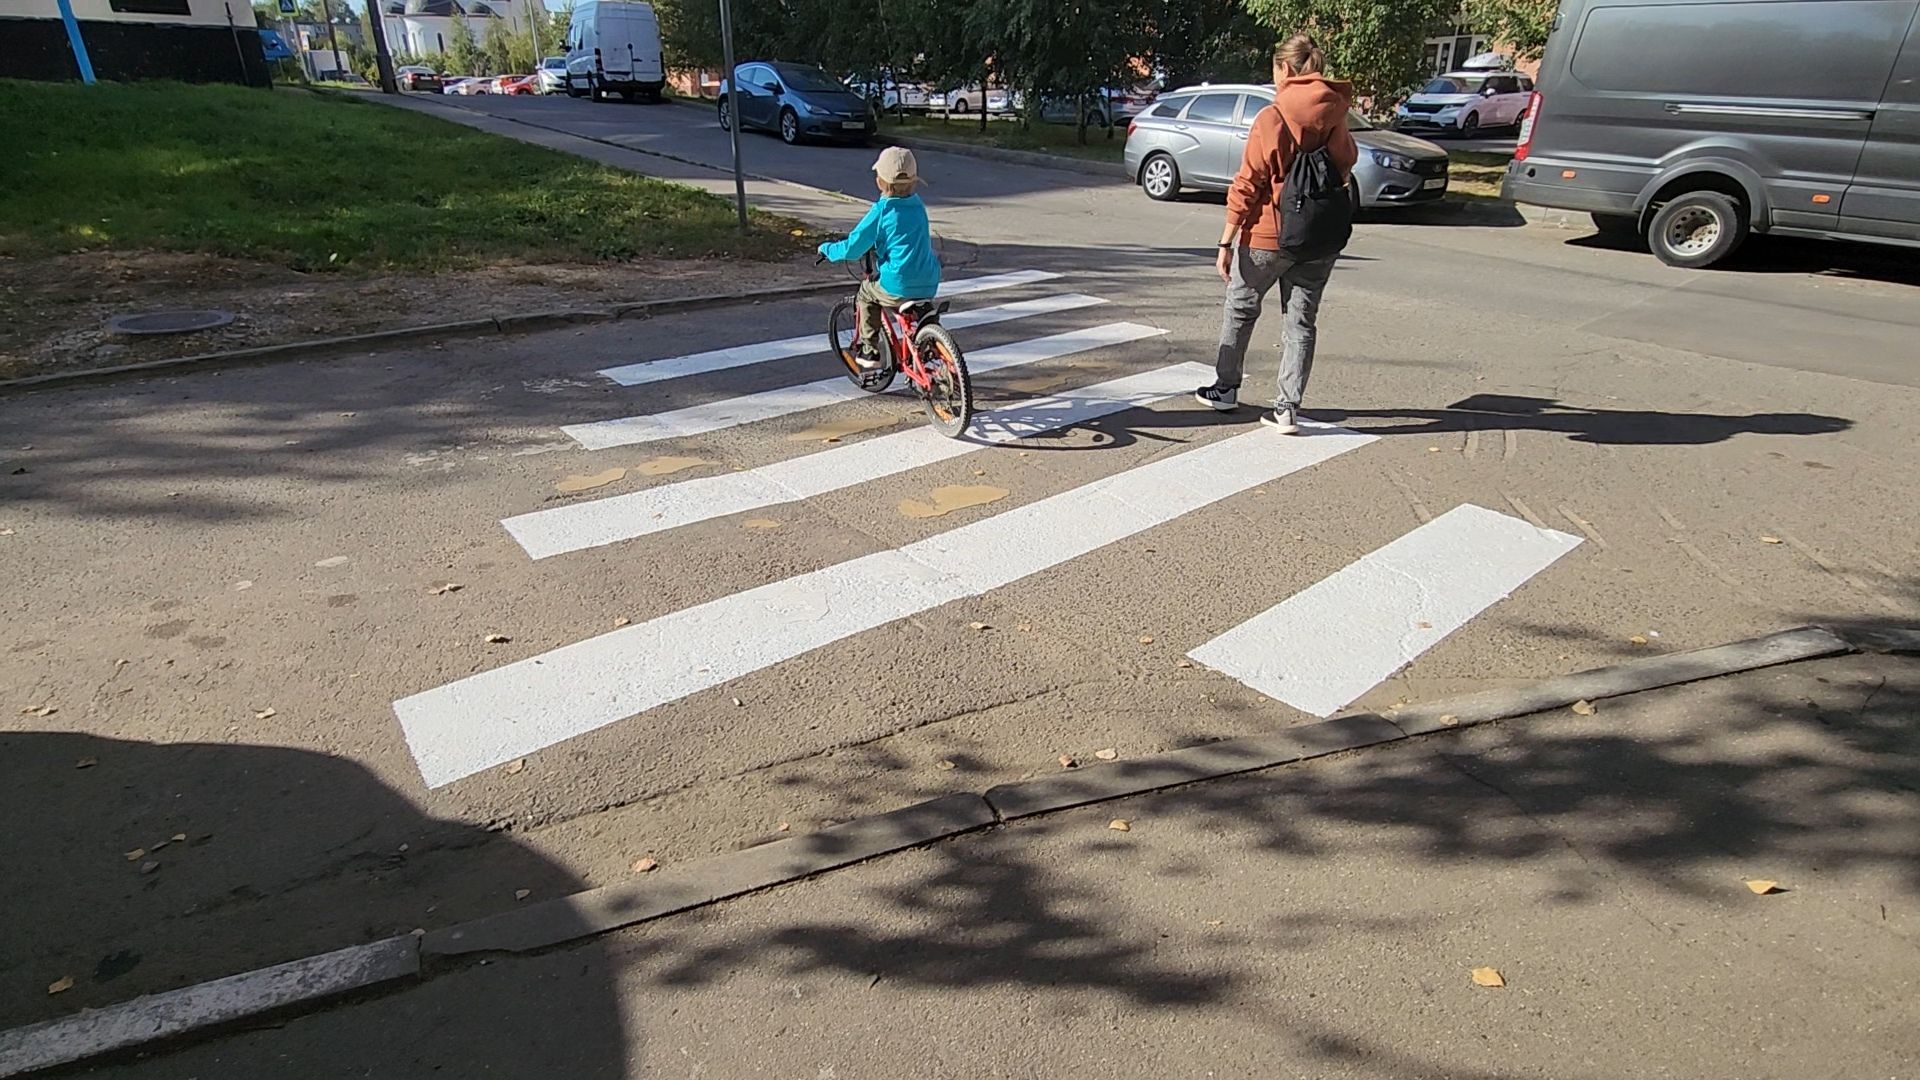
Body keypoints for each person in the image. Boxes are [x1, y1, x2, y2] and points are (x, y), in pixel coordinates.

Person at [1195, 33, 1358, 433]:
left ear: (1284, 69)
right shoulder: (1335, 114)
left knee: (1240, 308)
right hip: (1319, 236)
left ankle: (1226, 388)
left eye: (1274, 68)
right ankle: (1287, 408)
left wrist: (1225, 240)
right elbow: (1346, 163)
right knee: (1301, 322)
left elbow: (1247, 183)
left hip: (1267, 236)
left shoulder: (1273, 117)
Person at [817, 146, 942, 370]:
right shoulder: (918, 205)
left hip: (897, 282)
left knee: (866, 294)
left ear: (879, 182)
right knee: (917, 300)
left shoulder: (881, 211)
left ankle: (869, 350)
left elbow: (853, 248)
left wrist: (827, 249)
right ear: (914, 181)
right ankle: (929, 336)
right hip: (929, 278)